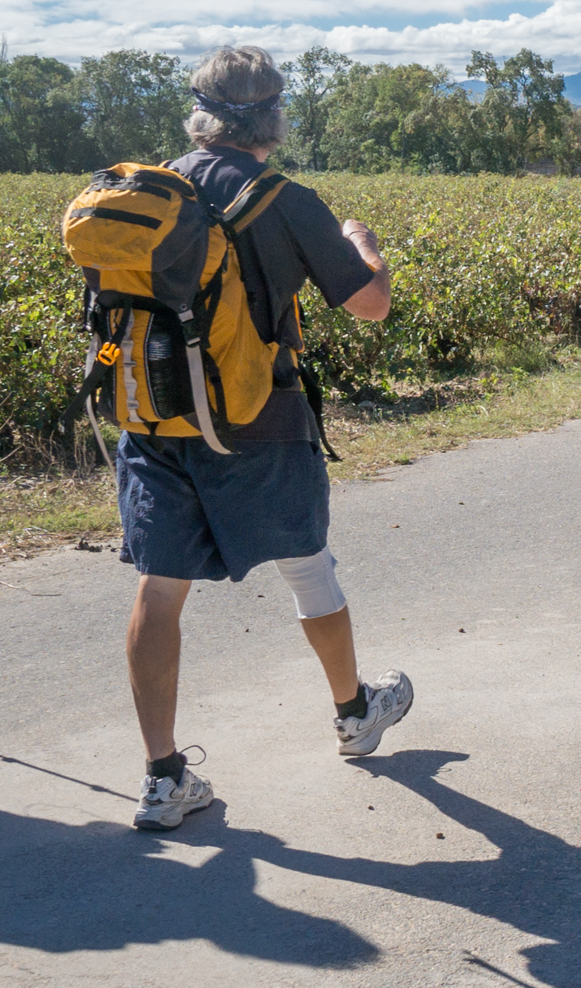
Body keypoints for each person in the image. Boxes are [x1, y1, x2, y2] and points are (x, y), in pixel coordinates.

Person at [115, 46, 413, 831]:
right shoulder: (284, 199)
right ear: (275, 117)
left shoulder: (142, 194)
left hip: (154, 418)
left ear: (199, 112)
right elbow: (370, 303)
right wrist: (366, 244)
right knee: (308, 563)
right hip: (258, 415)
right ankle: (354, 715)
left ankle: (162, 776)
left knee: (159, 585)